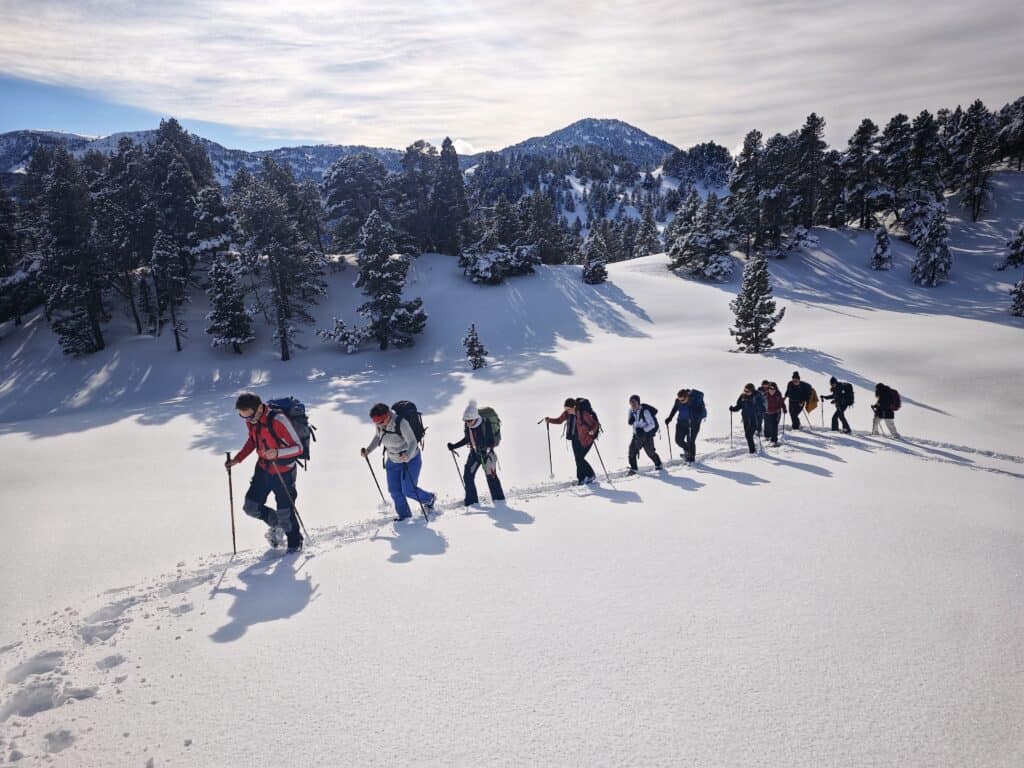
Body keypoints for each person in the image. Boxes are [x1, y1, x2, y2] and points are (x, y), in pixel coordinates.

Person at [225, 392, 304, 552]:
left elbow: (298, 448)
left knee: (285, 512)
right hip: (263, 469)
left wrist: (277, 453)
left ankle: (294, 545)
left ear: (260, 408)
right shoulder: (252, 421)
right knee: (251, 507)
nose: (248, 420)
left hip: (283, 472)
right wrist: (238, 459)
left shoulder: (278, 420)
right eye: (243, 417)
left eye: (249, 416)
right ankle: (277, 525)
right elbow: (253, 440)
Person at [361, 403, 436, 521]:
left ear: (387, 416)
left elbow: (412, 442)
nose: (378, 424)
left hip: (410, 460)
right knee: (394, 490)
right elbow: (378, 436)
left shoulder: (401, 423)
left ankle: (429, 499)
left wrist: (408, 455)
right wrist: (368, 450)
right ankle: (404, 516)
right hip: (393, 460)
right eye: (375, 422)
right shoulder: (380, 424)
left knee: (408, 490)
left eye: (380, 422)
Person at [447, 400, 505, 507]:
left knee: (491, 477)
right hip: (474, 454)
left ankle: (499, 501)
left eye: (470, 420)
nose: (468, 423)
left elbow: (491, 442)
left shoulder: (485, 424)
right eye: (466, 421)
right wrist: (454, 446)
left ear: (476, 418)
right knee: (468, 476)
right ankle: (471, 502)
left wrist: (484, 448)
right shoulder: (468, 426)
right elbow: (467, 439)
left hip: (487, 455)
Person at [546, 397, 601, 485]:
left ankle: (591, 475)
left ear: (574, 407)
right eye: (565, 409)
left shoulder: (583, 414)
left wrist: (592, 431)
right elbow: (559, 420)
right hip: (575, 439)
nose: (566, 411)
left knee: (580, 458)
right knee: (577, 459)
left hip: (586, 439)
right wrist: (549, 420)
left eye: (568, 409)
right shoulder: (567, 413)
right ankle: (581, 478)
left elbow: (595, 424)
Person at [626, 395, 663, 475]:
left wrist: (643, 430)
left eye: (634, 402)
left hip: (647, 436)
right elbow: (630, 422)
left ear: (638, 402)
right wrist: (630, 421)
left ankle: (659, 464)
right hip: (636, 436)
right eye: (631, 403)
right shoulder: (630, 411)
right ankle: (634, 469)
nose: (632, 404)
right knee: (631, 451)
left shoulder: (645, 412)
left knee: (650, 452)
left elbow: (652, 424)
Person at [665, 388, 702, 463]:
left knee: (690, 441)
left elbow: (700, 412)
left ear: (687, 397)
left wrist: (694, 417)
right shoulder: (678, 401)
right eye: (679, 399)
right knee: (678, 440)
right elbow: (675, 409)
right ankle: (687, 451)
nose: (680, 401)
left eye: (682, 400)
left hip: (693, 424)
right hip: (681, 423)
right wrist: (670, 418)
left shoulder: (694, 402)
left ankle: (691, 458)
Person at [729, 383, 766, 454]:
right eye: (745, 390)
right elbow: (738, 406)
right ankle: (753, 449)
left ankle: (752, 451)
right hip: (745, 418)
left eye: (747, 391)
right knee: (747, 435)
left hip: (755, 418)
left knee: (748, 434)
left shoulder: (757, 396)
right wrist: (733, 409)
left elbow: (762, 408)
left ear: (752, 391)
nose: (746, 392)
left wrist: (758, 411)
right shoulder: (742, 396)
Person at [763, 381, 785, 446]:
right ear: (768, 389)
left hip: (775, 412)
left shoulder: (778, 394)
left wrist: (784, 408)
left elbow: (781, 402)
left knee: (774, 426)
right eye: (770, 388)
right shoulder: (765, 395)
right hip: (766, 412)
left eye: (773, 389)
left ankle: (774, 440)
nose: (772, 390)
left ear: (776, 389)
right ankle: (767, 436)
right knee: (767, 425)